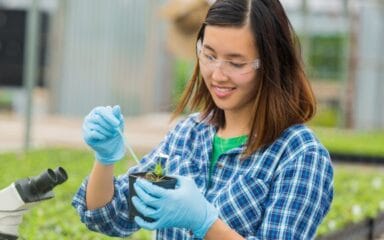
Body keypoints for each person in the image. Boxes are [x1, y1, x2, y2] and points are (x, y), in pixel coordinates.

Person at [72, 0, 334, 239]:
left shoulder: (298, 155)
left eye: (236, 63)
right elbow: (110, 216)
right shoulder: (189, 135)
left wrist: (205, 222)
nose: (218, 75)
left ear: (271, 63)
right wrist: (105, 160)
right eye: (209, 56)